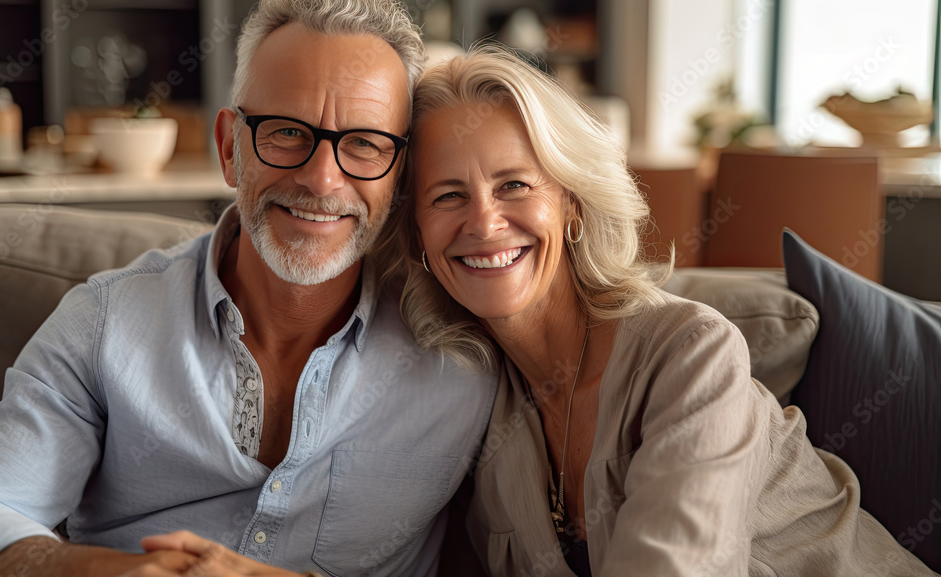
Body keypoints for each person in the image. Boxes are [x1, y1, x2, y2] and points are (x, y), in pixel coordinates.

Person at [0, 0, 496, 577]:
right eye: (287, 132)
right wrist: (108, 572)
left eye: (363, 143)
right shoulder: (103, 324)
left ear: (400, 171)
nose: (322, 180)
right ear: (232, 148)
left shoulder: (465, 348)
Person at [380, 45, 937, 576]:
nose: (483, 222)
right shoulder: (477, 407)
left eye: (515, 184)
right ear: (418, 235)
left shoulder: (693, 351)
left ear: (571, 202)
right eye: (448, 195)